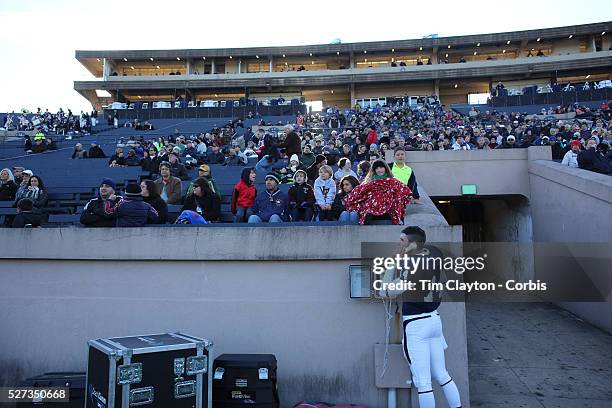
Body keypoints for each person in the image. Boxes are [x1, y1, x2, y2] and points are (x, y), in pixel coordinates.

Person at [379, 226, 462, 408]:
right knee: (442, 374)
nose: (398, 244)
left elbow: (385, 292)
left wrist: (392, 265)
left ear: (412, 243)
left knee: (423, 383)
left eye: (402, 240)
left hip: (416, 325)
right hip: (434, 319)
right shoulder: (434, 256)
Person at [344, 159, 412, 225]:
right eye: (377, 168)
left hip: (389, 209)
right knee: (366, 215)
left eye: (381, 167)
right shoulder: (369, 183)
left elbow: (405, 191)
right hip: (371, 210)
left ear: (385, 168)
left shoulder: (393, 181)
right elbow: (358, 192)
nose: (379, 170)